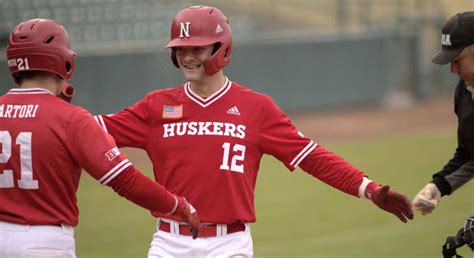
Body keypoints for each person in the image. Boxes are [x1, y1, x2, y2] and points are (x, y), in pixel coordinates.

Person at [94, 6, 413, 257]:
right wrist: (46, 107)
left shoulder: (256, 108)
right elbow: (86, 131)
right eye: (181, 48)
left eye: (197, 48)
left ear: (220, 48)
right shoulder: (156, 106)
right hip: (168, 242)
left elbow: (311, 157)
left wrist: (369, 189)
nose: (187, 56)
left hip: (229, 245)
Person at [0, 18, 200, 258]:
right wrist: (179, 206)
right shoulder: (70, 118)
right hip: (44, 243)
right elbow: (126, 181)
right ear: (63, 60)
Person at [413, 11, 474, 215]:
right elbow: (470, 154)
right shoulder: (465, 91)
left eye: (457, 59)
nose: (453, 69)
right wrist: (438, 186)